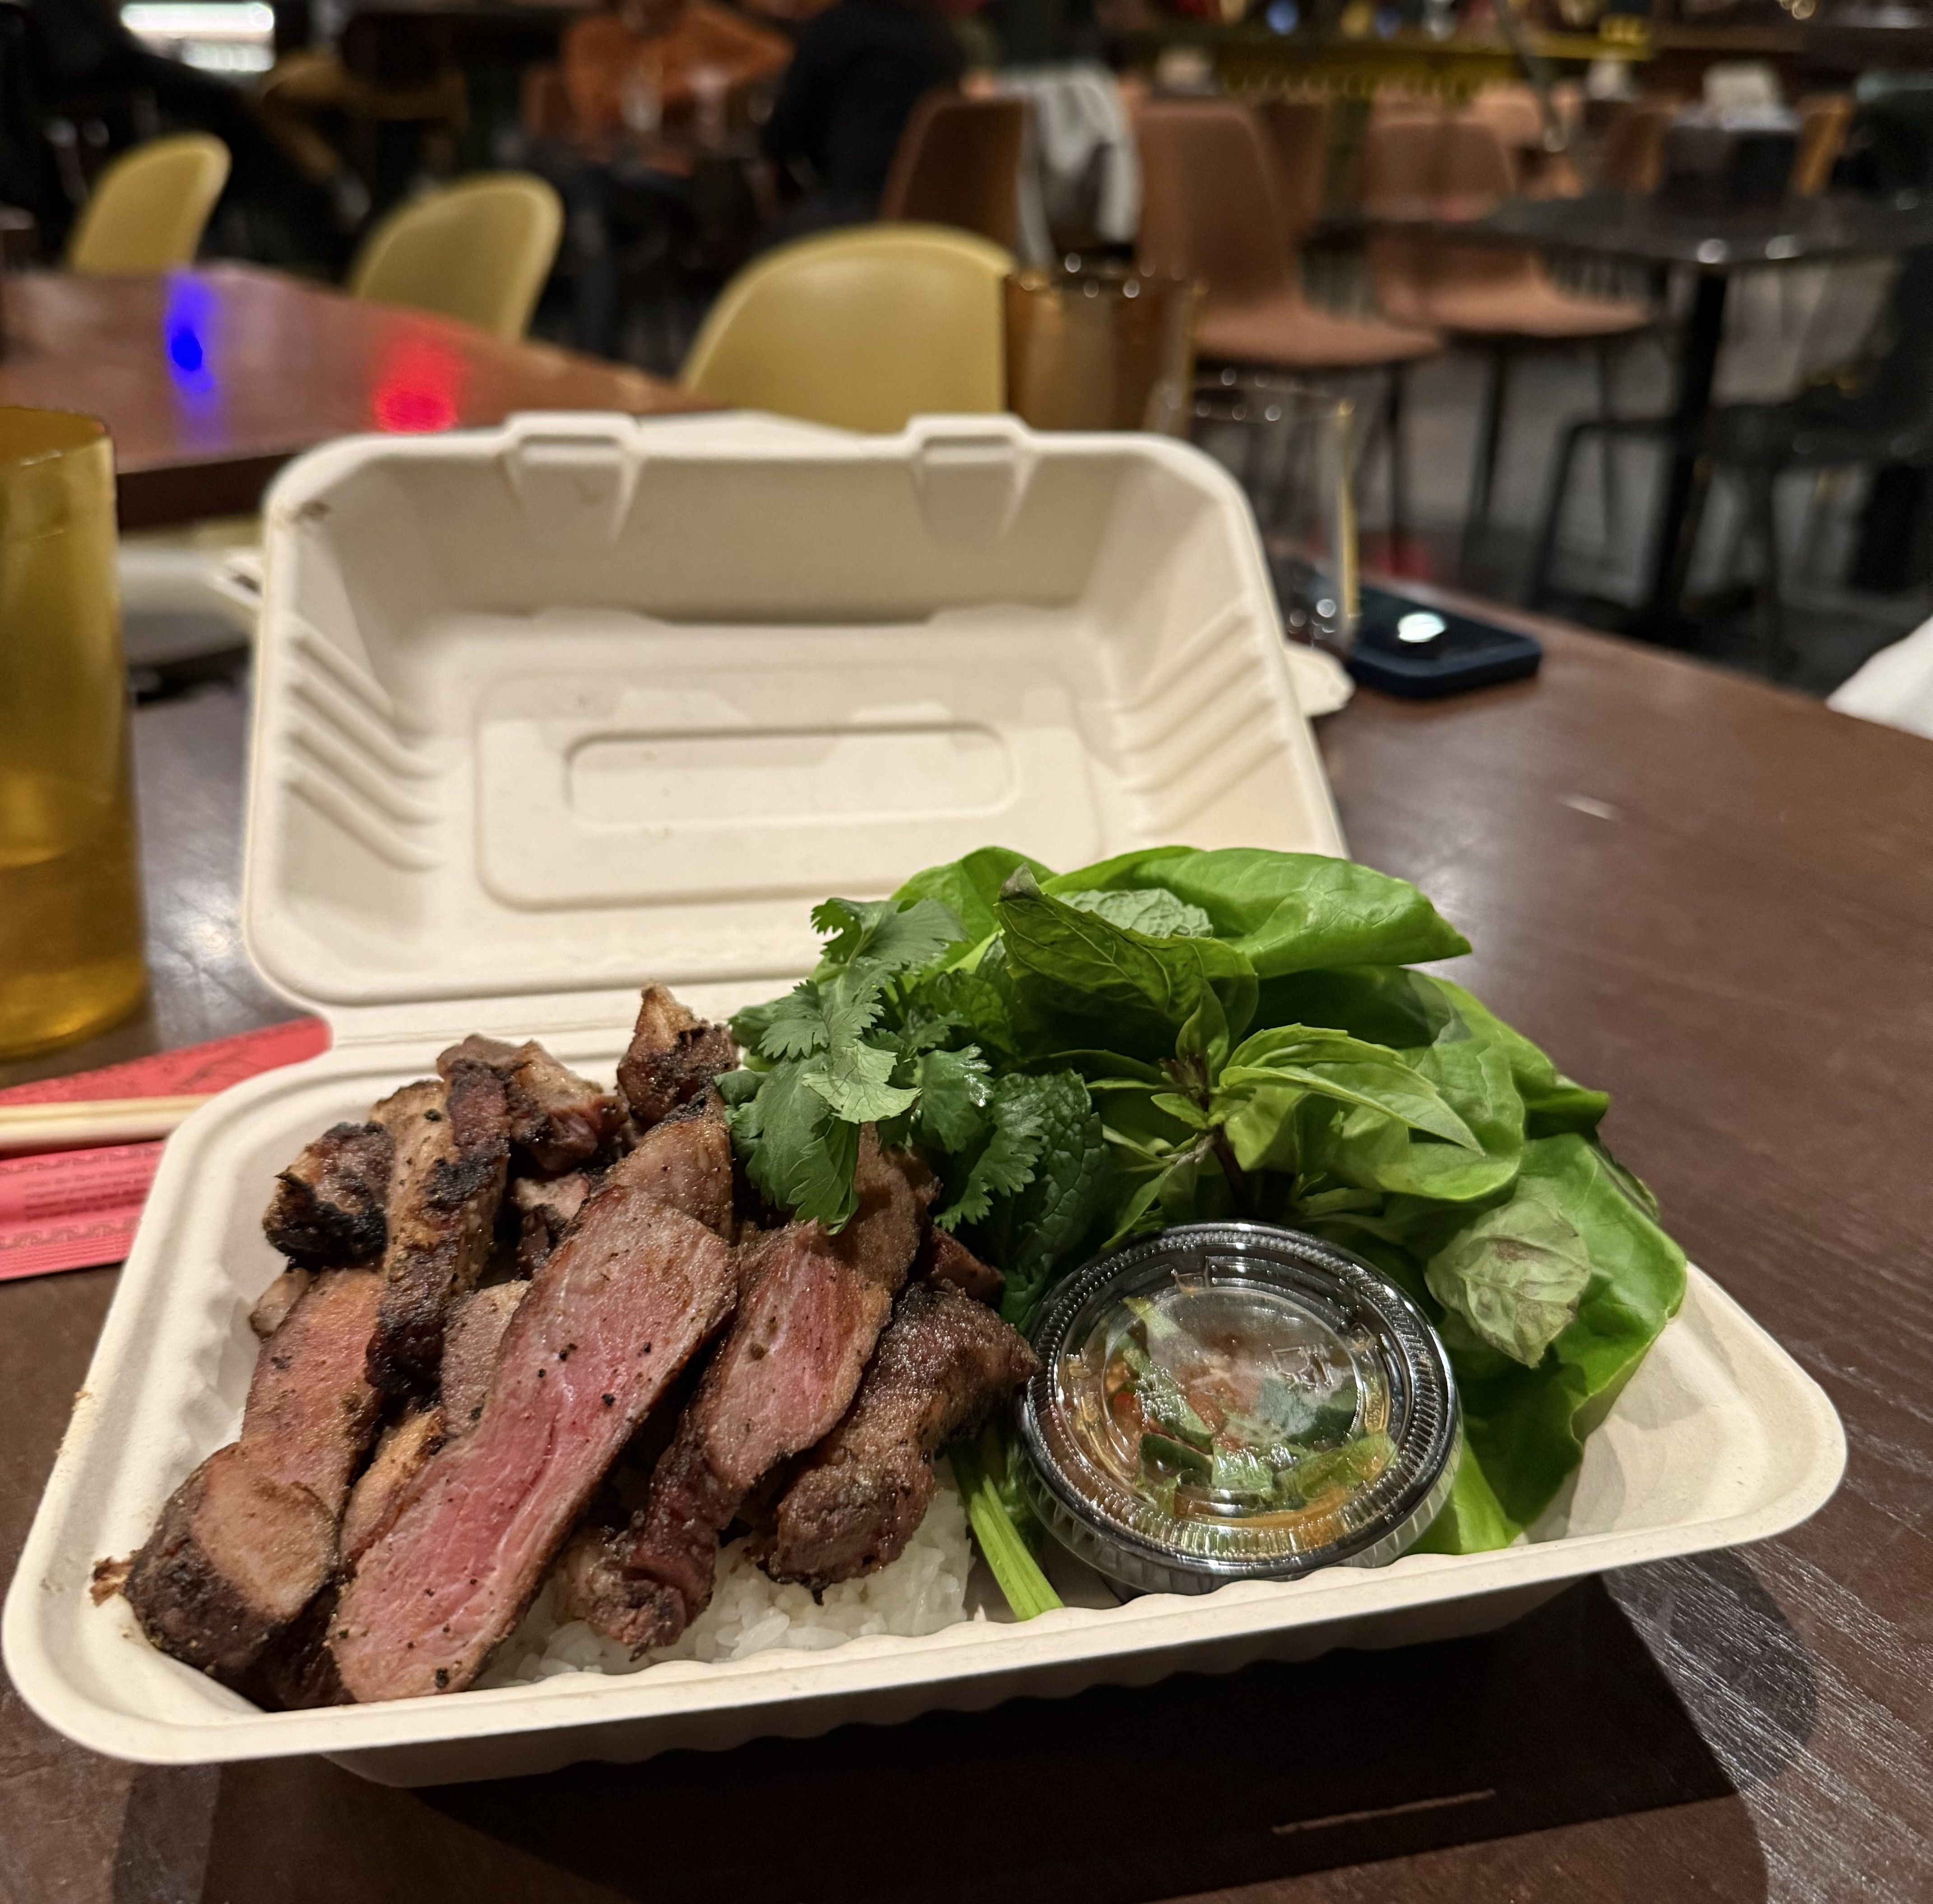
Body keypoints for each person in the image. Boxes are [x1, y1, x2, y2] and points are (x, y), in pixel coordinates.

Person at [759, 0, 964, 236]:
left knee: (758, 255)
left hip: (855, 221)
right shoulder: (943, 38)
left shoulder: (835, 29)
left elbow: (781, 139)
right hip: (943, 226)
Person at [561, 0, 792, 146]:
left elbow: (776, 52)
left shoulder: (697, 18)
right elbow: (600, 108)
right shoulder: (592, 33)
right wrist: (688, 85)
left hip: (693, 152)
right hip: (613, 156)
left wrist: (724, 77)